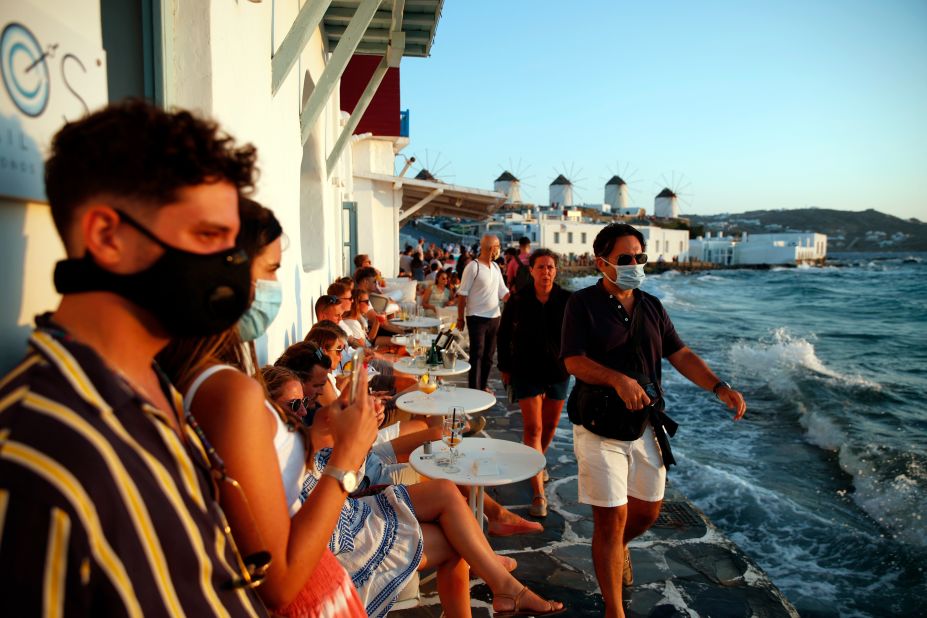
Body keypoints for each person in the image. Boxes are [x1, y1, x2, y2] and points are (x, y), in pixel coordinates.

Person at [0, 100, 269, 615]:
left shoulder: (152, 386)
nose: (234, 270)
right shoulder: (35, 459)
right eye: (207, 237)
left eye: (234, 245)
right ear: (107, 236)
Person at [158, 200, 374, 616]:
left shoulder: (202, 376)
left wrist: (316, 434)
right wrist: (346, 458)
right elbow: (278, 581)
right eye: (271, 269)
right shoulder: (226, 390)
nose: (275, 286)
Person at [561, 223, 747, 618]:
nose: (634, 265)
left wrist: (719, 387)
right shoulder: (582, 305)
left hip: (645, 424)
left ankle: (615, 550)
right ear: (602, 262)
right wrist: (617, 379)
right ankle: (615, 609)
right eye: (624, 259)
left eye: (639, 258)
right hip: (598, 426)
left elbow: (680, 354)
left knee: (647, 511)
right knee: (611, 520)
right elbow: (573, 361)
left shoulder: (652, 307)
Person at [497, 249, 571, 518]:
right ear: (532, 271)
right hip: (526, 371)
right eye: (541, 267)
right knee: (534, 427)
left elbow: (579, 335)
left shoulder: (567, 300)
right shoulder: (518, 300)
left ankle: (537, 462)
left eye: (550, 267)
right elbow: (503, 336)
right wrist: (505, 367)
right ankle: (538, 492)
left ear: (556, 270)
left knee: (550, 425)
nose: (546, 272)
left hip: (559, 371)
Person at [457, 234, 509, 391]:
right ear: (491, 248)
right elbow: (462, 294)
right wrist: (460, 318)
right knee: (477, 354)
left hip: (494, 317)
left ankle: (483, 386)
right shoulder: (473, 267)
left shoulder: (495, 268)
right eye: (498, 246)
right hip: (476, 317)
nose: (500, 249)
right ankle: (474, 389)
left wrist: (519, 302)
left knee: (488, 356)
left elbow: (503, 293)